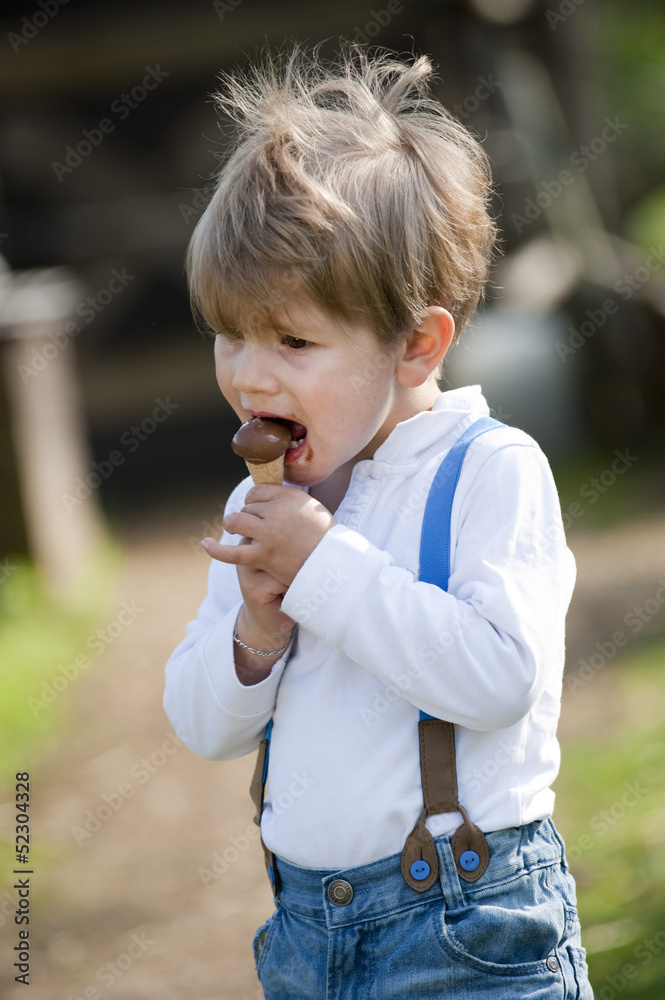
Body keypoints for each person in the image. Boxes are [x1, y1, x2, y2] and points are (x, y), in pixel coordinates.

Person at [164, 41, 593, 999]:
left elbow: (497, 681)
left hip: (465, 930)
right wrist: (254, 634)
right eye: (230, 334)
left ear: (414, 346)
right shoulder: (262, 503)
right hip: (304, 937)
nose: (250, 375)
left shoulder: (488, 472)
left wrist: (323, 568)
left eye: (293, 340)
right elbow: (203, 727)